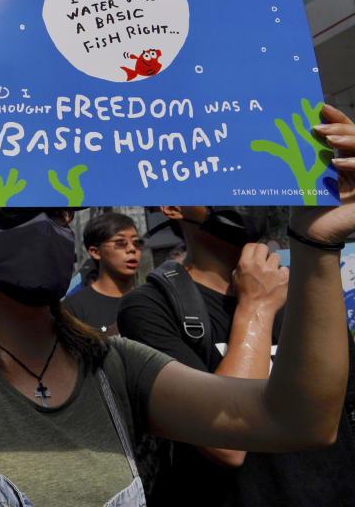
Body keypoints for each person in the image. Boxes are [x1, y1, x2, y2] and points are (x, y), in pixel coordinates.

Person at [0, 73, 354, 507]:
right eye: (14, 214)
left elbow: (299, 419)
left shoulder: (117, 368)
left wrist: (316, 245)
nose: (42, 227)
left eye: (59, 213)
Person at [117, 206, 355, 506]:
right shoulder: (150, 307)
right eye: (218, 176)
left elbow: (344, 407)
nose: (240, 192)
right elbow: (226, 445)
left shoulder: (305, 288)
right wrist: (257, 306)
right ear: (173, 207)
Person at [64, 212, 142, 335]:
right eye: (120, 243)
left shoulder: (152, 300)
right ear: (95, 252)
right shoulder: (73, 308)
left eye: (137, 243)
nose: (132, 249)